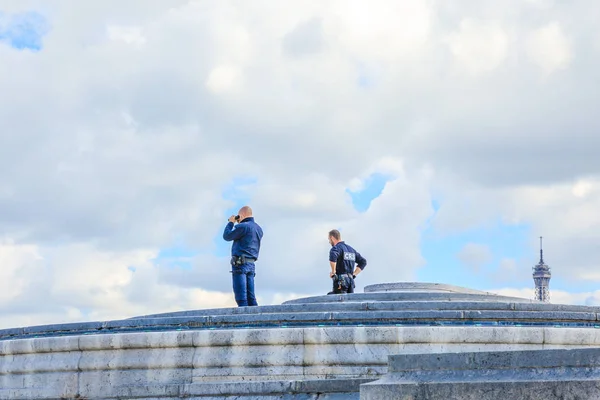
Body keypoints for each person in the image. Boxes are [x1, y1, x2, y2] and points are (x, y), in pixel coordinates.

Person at [222, 206, 263, 307]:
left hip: (240, 265)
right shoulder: (258, 228)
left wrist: (231, 222)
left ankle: (246, 321)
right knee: (251, 298)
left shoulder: (243, 227)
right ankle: (257, 319)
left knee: (242, 298)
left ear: (241, 215)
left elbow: (227, 236)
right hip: (251, 264)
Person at [327, 229, 367, 294]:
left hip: (341, 281)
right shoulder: (351, 250)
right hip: (350, 282)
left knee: (337, 301)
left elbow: (333, 256)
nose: (329, 242)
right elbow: (363, 262)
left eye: (329, 239)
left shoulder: (336, 248)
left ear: (332, 238)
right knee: (349, 301)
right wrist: (354, 274)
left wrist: (333, 272)